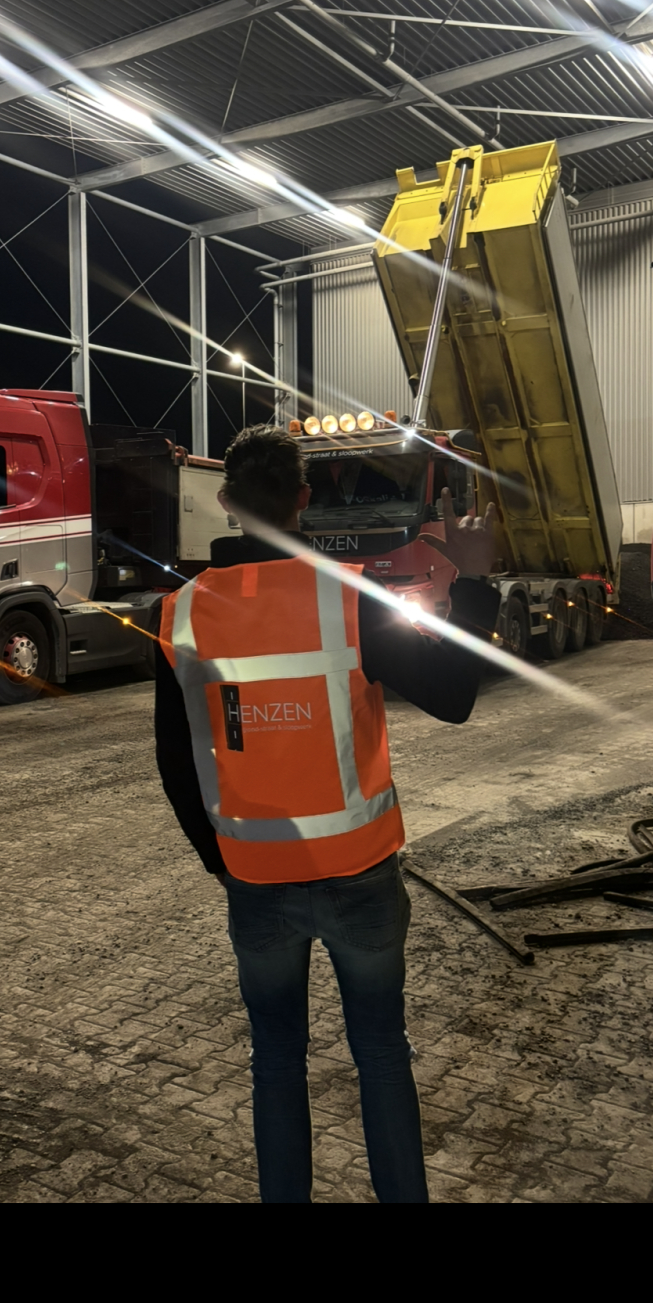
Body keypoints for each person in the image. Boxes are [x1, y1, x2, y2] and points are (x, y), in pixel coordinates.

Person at [153, 425, 499, 1204]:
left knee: (276, 1061)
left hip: (256, 882)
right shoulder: (351, 599)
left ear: (226, 501)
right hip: (360, 876)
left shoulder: (177, 614)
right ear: (304, 499)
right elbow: (453, 699)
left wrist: (224, 860)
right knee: (379, 1053)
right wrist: (474, 582)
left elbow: (175, 764)